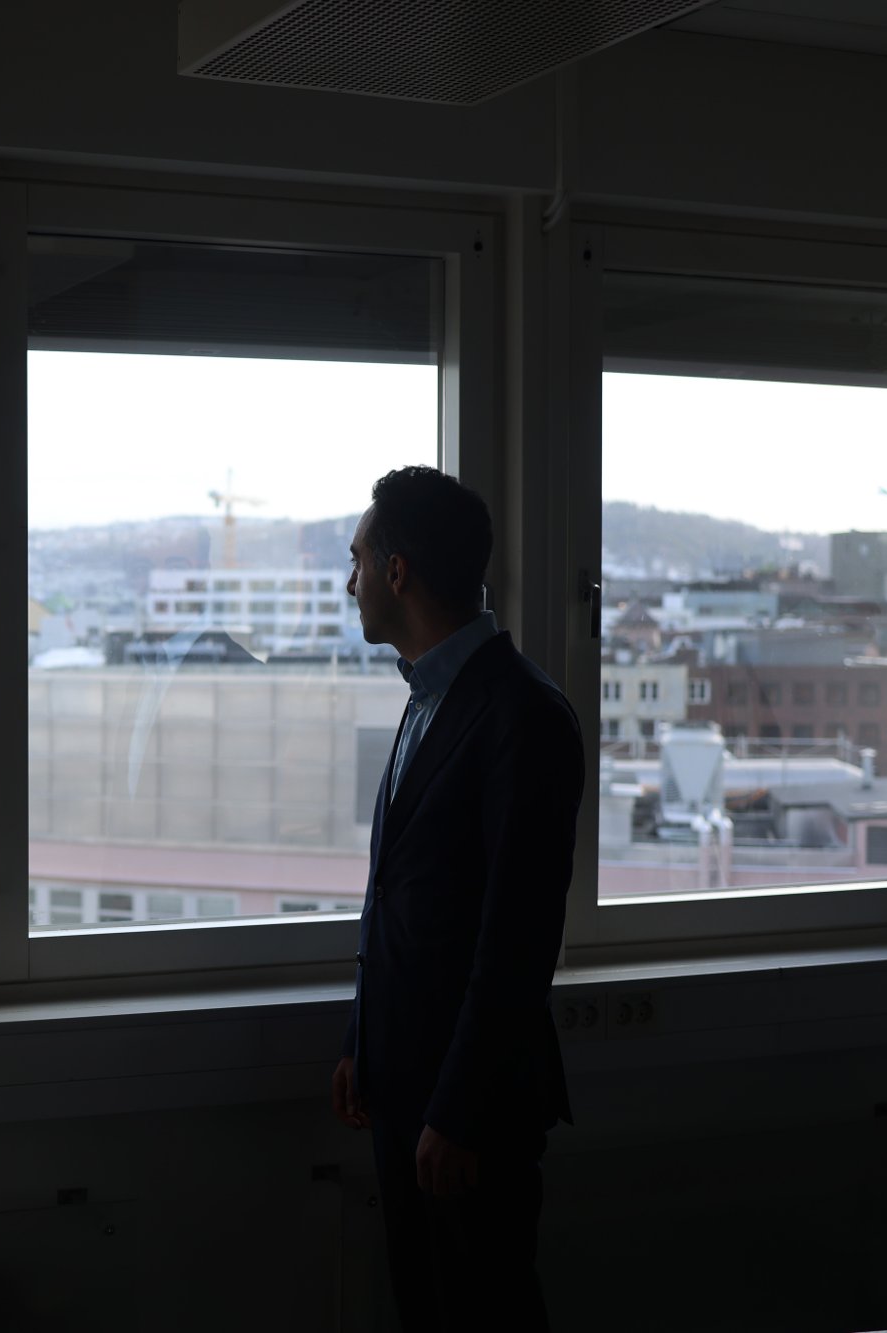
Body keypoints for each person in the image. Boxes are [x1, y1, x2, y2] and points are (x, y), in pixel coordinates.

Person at [330, 465, 584, 1331]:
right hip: (406, 1086)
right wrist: (364, 1036)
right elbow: (402, 893)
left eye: (357, 560)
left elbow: (517, 940)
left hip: (469, 1113)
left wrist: (459, 1110)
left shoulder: (523, 715)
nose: (350, 582)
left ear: (397, 571)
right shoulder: (428, 696)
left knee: (484, 1312)